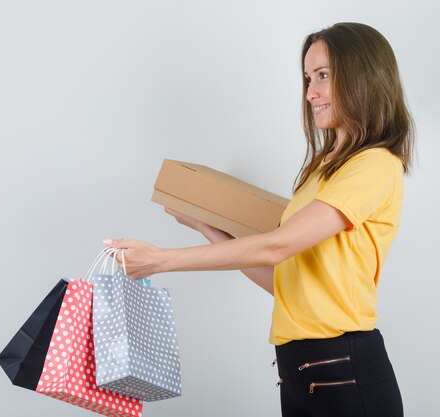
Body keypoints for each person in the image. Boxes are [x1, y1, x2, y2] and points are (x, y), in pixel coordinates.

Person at [104, 22, 414, 417]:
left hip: (344, 367)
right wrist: (207, 228)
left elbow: (276, 246)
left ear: (364, 79)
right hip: (300, 369)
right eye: (307, 78)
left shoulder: (374, 165)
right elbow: (286, 284)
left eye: (324, 76)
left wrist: (161, 260)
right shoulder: (324, 171)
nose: (310, 93)